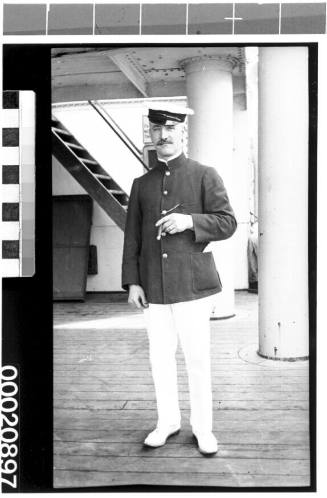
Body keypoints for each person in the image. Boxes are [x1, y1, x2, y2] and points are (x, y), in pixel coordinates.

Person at [122, 103, 237, 455]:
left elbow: (227, 222)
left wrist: (190, 222)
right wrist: (133, 282)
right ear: (151, 134)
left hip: (190, 285)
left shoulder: (205, 174)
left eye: (171, 128)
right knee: (160, 358)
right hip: (153, 287)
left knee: (197, 358)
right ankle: (167, 421)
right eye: (157, 129)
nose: (164, 135)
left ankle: (202, 429)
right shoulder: (142, 184)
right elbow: (133, 238)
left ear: (182, 132)